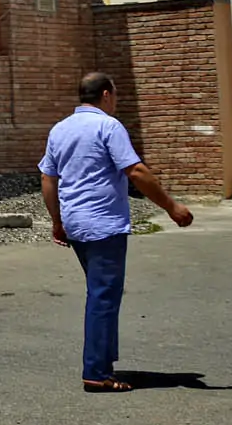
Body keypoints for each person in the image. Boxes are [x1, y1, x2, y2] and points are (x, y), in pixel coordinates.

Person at [40, 71, 193, 393]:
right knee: (103, 297)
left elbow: (48, 179)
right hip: (103, 225)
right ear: (106, 94)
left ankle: (104, 361)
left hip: (77, 224)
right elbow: (135, 170)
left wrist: (57, 221)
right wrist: (171, 207)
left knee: (101, 292)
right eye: (116, 95)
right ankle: (96, 372)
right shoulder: (108, 127)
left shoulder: (60, 129)